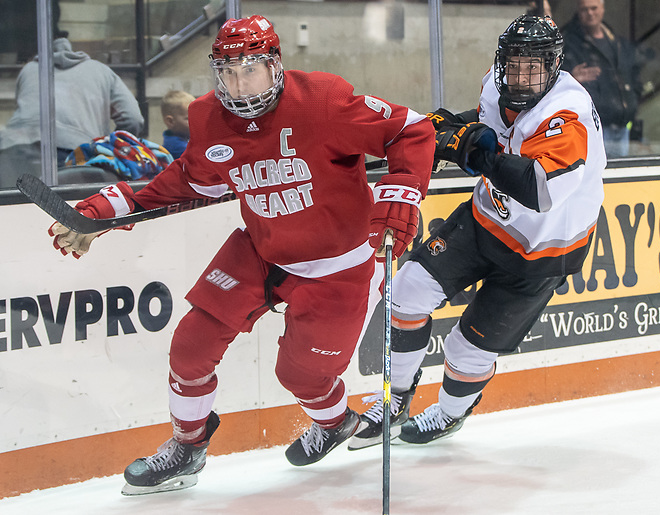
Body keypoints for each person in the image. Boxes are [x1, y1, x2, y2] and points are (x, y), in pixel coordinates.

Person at [46, 15, 434, 494]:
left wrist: (400, 195)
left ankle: (334, 423)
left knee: (300, 376)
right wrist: (101, 212)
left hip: (338, 268)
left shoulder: (324, 100)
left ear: (275, 64)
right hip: (261, 251)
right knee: (190, 348)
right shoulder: (211, 117)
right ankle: (188, 447)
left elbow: (412, 130)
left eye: (249, 69)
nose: (236, 83)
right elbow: (186, 180)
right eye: (226, 71)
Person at [348, 14, 605, 450]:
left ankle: (449, 414)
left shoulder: (568, 113)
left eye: (533, 68)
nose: (521, 76)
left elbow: (537, 189)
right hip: (487, 219)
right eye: (514, 64)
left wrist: (469, 151)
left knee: (466, 350)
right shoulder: (495, 83)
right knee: (406, 291)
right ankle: (394, 400)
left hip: (542, 251)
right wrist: (447, 129)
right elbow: (487, 124)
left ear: (554, 66)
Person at [0, 35, 144, 188]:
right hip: (76, 152)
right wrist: (113, 147)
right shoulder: (101, 70)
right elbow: (133, 118)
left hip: (14, 149)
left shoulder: (28, 69)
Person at [561, 0, 642, 158]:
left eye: (594, 8)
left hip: (622, 125)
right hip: (593, 126)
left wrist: (634, 100)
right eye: (585, 9)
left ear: (603, 9)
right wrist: (571, 79)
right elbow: (556, 85)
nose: (590, 13)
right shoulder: (570, 45)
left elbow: (631, 76)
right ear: (578, 12)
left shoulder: (617, 42)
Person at [160, 90, 195, 159]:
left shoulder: (181, 139)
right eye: (189, 119)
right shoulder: (177, 147)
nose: (196, 122)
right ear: (170, 121)